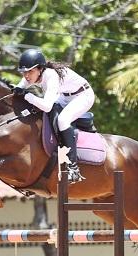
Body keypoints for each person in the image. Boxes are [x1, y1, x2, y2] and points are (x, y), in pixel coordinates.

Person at [12, 49, 95, 183]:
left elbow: (47, 106)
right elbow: (19, 87)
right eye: (24, 72)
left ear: (40, 69)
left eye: (30, 71)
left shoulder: (50, 75)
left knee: (63, 120)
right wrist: (16, 88)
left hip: (83, 96)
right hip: (65, 96)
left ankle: (73, 169)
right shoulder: (34, 74)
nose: (26, 76)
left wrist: (27, 96)